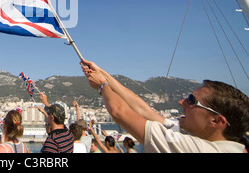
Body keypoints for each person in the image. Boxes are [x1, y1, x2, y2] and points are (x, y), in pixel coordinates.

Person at [81, 59, 249, 153]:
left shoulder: (195, 149)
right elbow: (144, 110)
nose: (181, 102)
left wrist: (102, 86)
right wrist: (103, 75)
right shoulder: (226, 144)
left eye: (191, 100)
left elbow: (120, 112)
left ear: (217, 121)